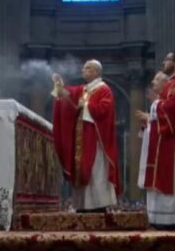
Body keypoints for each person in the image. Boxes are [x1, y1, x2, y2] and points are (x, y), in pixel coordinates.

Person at [139, 52, 175, 230]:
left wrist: (156, 104)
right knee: (163, 178)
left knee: (174, 178)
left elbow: (174, 110)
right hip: (165, 142)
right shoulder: (173, 83)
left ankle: (173, 221)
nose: (164, 62)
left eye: (167, 60)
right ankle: (161, 220)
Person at [51, 60, 120, 212]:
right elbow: (68, 97)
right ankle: (81, 205)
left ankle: (98, 205)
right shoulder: (83, 90)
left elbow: (105, 110)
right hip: (81, 138)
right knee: (81, 170)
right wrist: (59, 86)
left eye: (87, 68)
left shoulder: (104, 90)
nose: (83, 70)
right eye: (83, 68)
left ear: (97, 72)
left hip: (95, 139)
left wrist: (87, 106)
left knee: (96, 171)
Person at [135, 71, 168, 191]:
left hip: (162, 149)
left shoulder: (165, 101)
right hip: (151, 147)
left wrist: (148, 118)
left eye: (156, 80)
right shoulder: (155, 104)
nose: (153, 82)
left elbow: (166, 123)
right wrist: (146, 122)